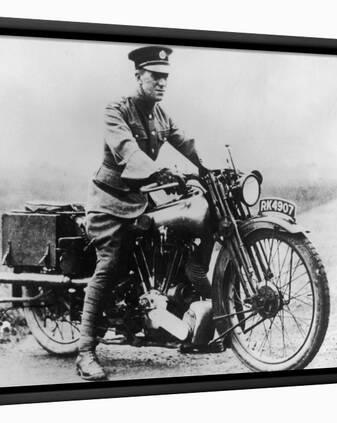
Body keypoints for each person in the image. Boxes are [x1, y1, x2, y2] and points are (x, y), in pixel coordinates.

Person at [76, 46, 214, 381]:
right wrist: (157, 172)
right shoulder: (117, 111)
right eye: (155, 76)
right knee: (109, 264)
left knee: (176, 236)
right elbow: (128, 151)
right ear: (138, 75)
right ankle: (84, 351)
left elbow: (187, 142)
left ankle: (184, 322)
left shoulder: (161, 114)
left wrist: (208, 169)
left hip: (141, 199)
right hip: (110, 202)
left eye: (165, 76)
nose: (161, 82)